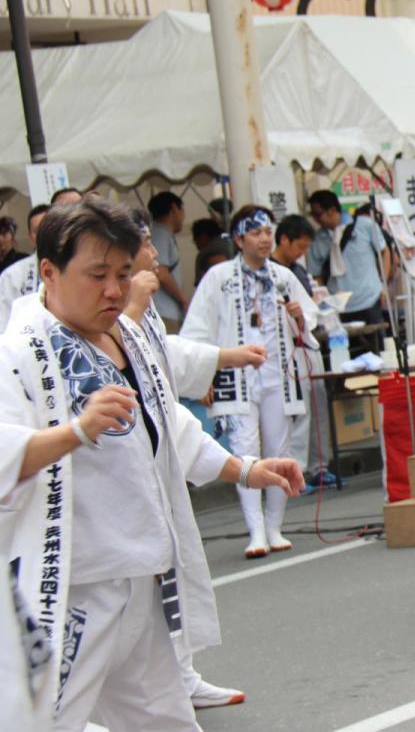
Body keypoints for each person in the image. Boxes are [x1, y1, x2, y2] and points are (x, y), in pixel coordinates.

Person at [0, 198, 303, 731]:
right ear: (48, 272)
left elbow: (171, 429)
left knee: (168, 722)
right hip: (72, 589)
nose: (114, 290)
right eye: (97, 275)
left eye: (123, 273)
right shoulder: (19, 354)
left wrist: (245, 468)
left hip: (142, 574)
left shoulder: (132, 334)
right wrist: (74, 431)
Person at [122, 210, 268, 711]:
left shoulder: (138, 323)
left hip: (158, 481)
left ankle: (181, 677)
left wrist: (227, 357)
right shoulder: (92, 325)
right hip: (109, 505)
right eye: (145, 244)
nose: (156, 255)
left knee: (169, 583)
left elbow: (171, 396)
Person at [181, 205, 319, 558]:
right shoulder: (219, 277)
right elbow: (197, 328)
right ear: (239, 239)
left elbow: (311, 317)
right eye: (256, 233)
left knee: (280, 450)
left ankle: (274, 525)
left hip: (277, 376)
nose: (264, 238)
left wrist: (300, 317)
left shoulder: (284, 277)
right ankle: (255, 529)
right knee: (245, 451)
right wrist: (203, 374)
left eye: (268, 232)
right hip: (237, 375)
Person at [270, 213, 333, 490]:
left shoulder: (296, 271)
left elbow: (310, 309)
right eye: (299, 247)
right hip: (282, 354)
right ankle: (297, 471)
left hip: (305, 347)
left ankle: (319, 466)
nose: (301, 253)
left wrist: (302, 317)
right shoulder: (268, 273)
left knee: (316, 408)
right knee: (296, 414)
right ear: (283, 239)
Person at [306, 190, 391, 346]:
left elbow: (384, 252)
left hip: (369, 299)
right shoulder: (317, 240)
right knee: (347, 355)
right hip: (338, 308)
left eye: (318, 214)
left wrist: (383, 286)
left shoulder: (364, 225)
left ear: (332, 210)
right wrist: (323, 302)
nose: (316, 220)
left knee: (378, 348)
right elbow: (316, 274)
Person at [0, 203, 62, 331]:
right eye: (37, 230)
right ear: (30, 237)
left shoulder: (76, 268)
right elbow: (4, 323)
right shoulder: (12, 275)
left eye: (50, 228)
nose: (44, 234)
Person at [148, 191, 189, 333]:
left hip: (166, 312)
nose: (184, 216)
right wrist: (183, 298)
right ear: (174, 209)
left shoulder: (161, 233)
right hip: (164, 312)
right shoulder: (161, 234)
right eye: (182, 209)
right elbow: (161, 273)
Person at [192, 218, 235, 287]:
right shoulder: (232, 243)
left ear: (203, 237)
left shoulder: (204, 254)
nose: (196, 244)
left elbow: (200, 287)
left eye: (195, 240)